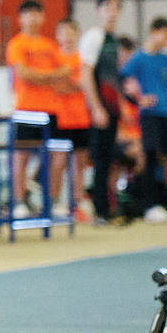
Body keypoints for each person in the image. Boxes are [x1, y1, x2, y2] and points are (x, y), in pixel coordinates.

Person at [119, 18, 167, 222]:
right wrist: (137, 100)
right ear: (153, 32)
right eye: (165, 33)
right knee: (150, 157)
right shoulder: (138, 58)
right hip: (149, 115)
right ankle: (151, 206)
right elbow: (122, 79)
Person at [4, 0, 70, 216]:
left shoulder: (49, 46)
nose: (32, 18)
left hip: (51, 109)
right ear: (20, 18)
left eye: (36, 13)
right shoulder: (17, 44)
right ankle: (18, 201)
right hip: (26, 108)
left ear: (43, 17)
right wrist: (50, 77)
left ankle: (52, 201)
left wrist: (40, 77)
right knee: (20, 157)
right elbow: (24, 74)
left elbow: (65, 71)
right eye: (28, 14)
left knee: (57, 156)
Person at [77, 0, 126, 219]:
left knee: (108, 159)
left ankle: (107, 207)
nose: (111, 12)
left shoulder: (113, 40)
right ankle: (99, 209)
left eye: (115, 8)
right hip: (99, 109)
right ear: (98, 11)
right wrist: (96, 107)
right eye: (107, 7)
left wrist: (120, 105)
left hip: (112, 108)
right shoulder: (93, 37)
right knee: (99, 159)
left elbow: (113, 78)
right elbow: (86, 73)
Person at [53, 16, 99, 221]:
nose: (67, 37)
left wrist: (74, 84)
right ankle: (54, 201)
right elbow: (56, 85)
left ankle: (77, 202)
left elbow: (86, 84)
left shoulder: (83, 59)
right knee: (58, 161)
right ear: (57, 35)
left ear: (78, 35)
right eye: (63, 32)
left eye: (71, 32)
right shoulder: (54, 58)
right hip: (60, 117)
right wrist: (75, 84)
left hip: (81, 117)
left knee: (79, 163)